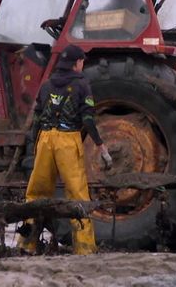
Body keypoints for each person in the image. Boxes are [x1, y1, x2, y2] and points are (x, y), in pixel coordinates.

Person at [18, 44, 112, 255]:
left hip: (44, 140)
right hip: (68, 141)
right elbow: (87, 119)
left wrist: (36, 147)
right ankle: (85, 248)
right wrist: (100, 145)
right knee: (78, 196)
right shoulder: (82, 85)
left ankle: (26, 244)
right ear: (77, 63)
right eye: (82, 61)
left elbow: (37, 120)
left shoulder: (46, 85)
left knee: (35, 193)